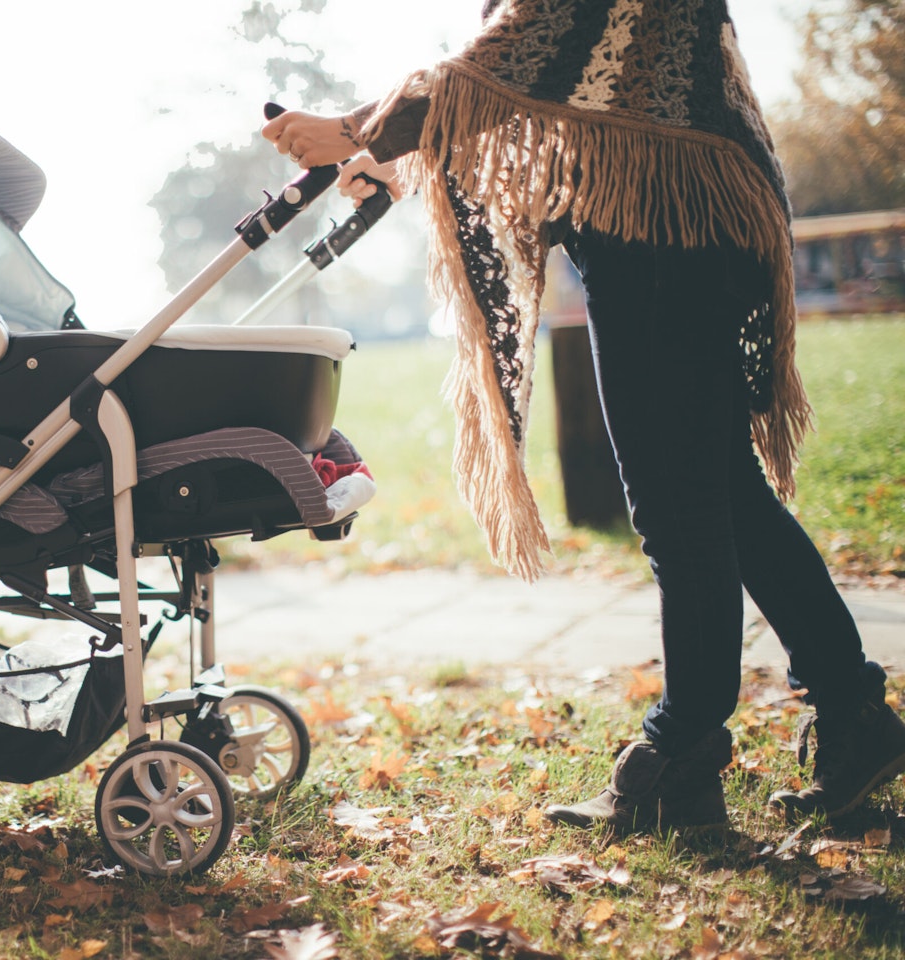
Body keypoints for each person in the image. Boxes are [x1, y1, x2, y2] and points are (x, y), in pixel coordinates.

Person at [264, 0, 905, 836]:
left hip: (664, 224)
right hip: (691, 212)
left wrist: (358, 128)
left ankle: (678, 765)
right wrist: (394, 145)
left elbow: (538, 44)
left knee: (680, 512)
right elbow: (550, 79)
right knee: (726, 499)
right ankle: (855, 719)